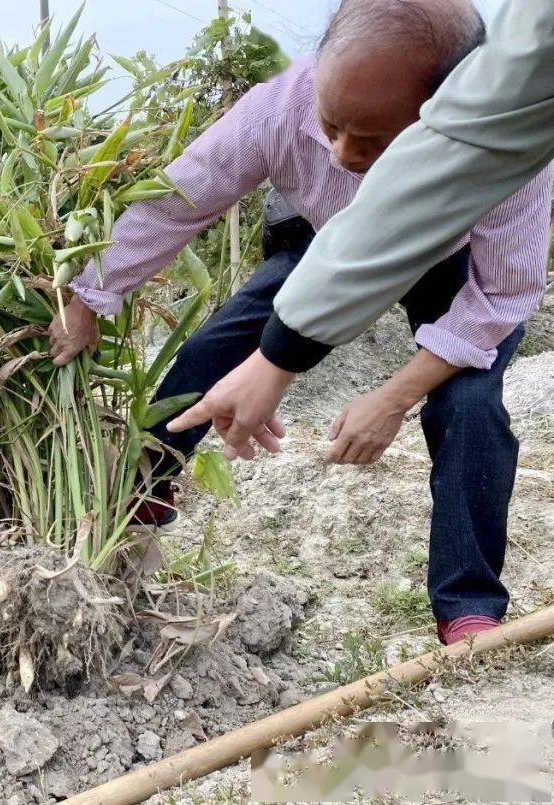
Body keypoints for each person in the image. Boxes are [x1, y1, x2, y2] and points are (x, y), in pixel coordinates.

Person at [48, 0, 554, 645]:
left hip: (459, 264)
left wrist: (394, 397)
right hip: (322, 242)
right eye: (332, 126)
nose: (343, 153)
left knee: (470, 407)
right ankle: (140, 493)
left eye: (372, 142)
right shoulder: (279, 107)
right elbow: (176, 204)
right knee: (218, 346)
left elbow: (503, 298)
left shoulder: (504, 140)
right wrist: (89, 296)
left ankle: (467, 606)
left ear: (446, 111)